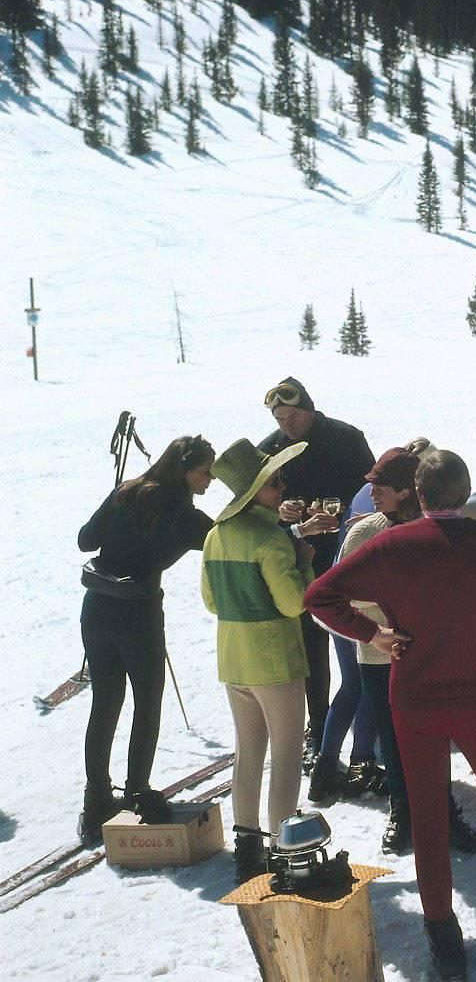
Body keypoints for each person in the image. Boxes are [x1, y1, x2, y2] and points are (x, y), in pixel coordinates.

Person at [304, 450, 476, 979]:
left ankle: (444, 941)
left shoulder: (391, 545)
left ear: (418, 495)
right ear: (466, 493)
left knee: (427, 819)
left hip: (415, 698)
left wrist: (373, 634)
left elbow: (319, 595)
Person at [335, 447, 476, 856]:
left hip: (430, 656)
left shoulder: (437, 530)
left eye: (379, 487)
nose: (372, 494)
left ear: (405, 491)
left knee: (435, 738)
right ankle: (402, 811)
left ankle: (446, 815)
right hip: (381, 657)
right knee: (394, 738)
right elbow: (341, 596)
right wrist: (384, 618)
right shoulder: (364, 534)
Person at [75, 435, 216, 843]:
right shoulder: (186, 517)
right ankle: (138, 790)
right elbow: (227, 542)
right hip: (138, 614)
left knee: (105, 702)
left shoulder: (127, 492)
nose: (209, 479)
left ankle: (96, 799)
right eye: (204, 471)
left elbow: (86, 540)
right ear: (184, 470)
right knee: (147, 700)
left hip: (97, 608)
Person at [201, 438, 313, 880]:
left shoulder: (215, 534)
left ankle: (247, 849)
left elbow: (211, 601)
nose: (282, 487)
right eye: (274, 482)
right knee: (287, 753)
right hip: (275, 662)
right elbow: (294, 603)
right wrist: (304, 562)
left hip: (234, 658)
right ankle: (284, 851)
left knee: (248, 752)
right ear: (255, 490)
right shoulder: (271, 538)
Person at [259, 376, 375, 770]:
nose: (287, 424)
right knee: (311, 649)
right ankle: (319, 723)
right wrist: (278, 513)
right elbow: (251, 504)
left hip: (344, 554)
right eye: (280, 418)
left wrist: (341, 511)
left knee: (357, 643)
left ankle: (366, 726)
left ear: (309, 409)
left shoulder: (346, 438)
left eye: (292, 415)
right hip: (295, 557)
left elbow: (373, 494)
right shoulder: (270, 450)